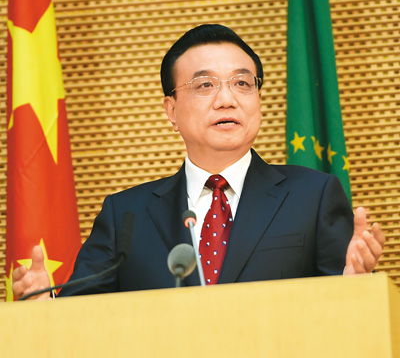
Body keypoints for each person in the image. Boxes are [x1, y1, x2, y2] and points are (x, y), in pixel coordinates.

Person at [12, 24, 385, 300]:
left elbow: (344, 317)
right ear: (171, 110)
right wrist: (47, 308)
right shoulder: (125, 216)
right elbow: (80, 322)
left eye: (242, 83)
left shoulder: (313, 196)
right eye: (205, 85)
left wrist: (353, 285)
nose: (227, 99)